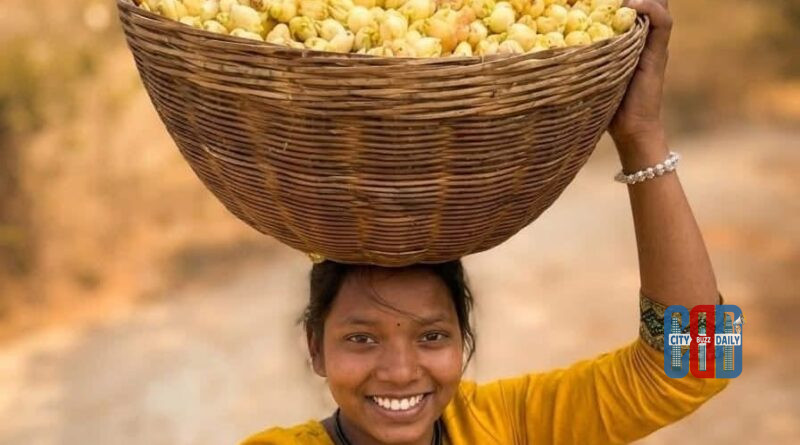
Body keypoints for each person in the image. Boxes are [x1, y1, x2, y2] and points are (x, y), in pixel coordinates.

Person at [241, 0, 731, 443]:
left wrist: (641, 134)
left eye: (432, 336)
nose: (400, 371)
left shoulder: (505, 427)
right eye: (361, 339)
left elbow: (698, 365)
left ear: (464, 338)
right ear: (316, 349)